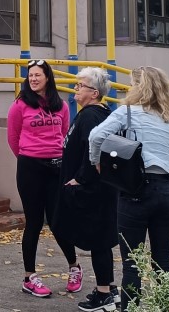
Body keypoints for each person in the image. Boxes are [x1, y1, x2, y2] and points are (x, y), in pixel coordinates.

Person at [87, 66, 169, 307]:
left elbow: (96, 136)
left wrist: (96, 162)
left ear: (138, 87)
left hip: (135, 190)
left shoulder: (127, 112)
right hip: (165, 192)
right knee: (163, 263)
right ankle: (167, 307)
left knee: (132, 264)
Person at [6, 59, 80, 297]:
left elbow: (65, 134)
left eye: (38, 75)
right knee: (34, 222)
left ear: (48, 77)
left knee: (58, 221)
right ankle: (29, 277)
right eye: (30, 75)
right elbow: (13, 137)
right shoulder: (19, 105)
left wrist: (56, 158)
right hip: (30, 167)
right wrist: (29, 156)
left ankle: (74, 267)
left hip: (56, 167)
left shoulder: (61, 106)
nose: (33, 79)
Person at [64, 68, 119, 312]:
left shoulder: (91, 116)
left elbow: (93, 151)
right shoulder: (95, 113)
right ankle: (108, 288)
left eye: (80, 86)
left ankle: (104, 294)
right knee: (101, 241)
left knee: (99, 242)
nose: (75, 89)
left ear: (94, 93)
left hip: (95, 190)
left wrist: (80, 179)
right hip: (100, 188)